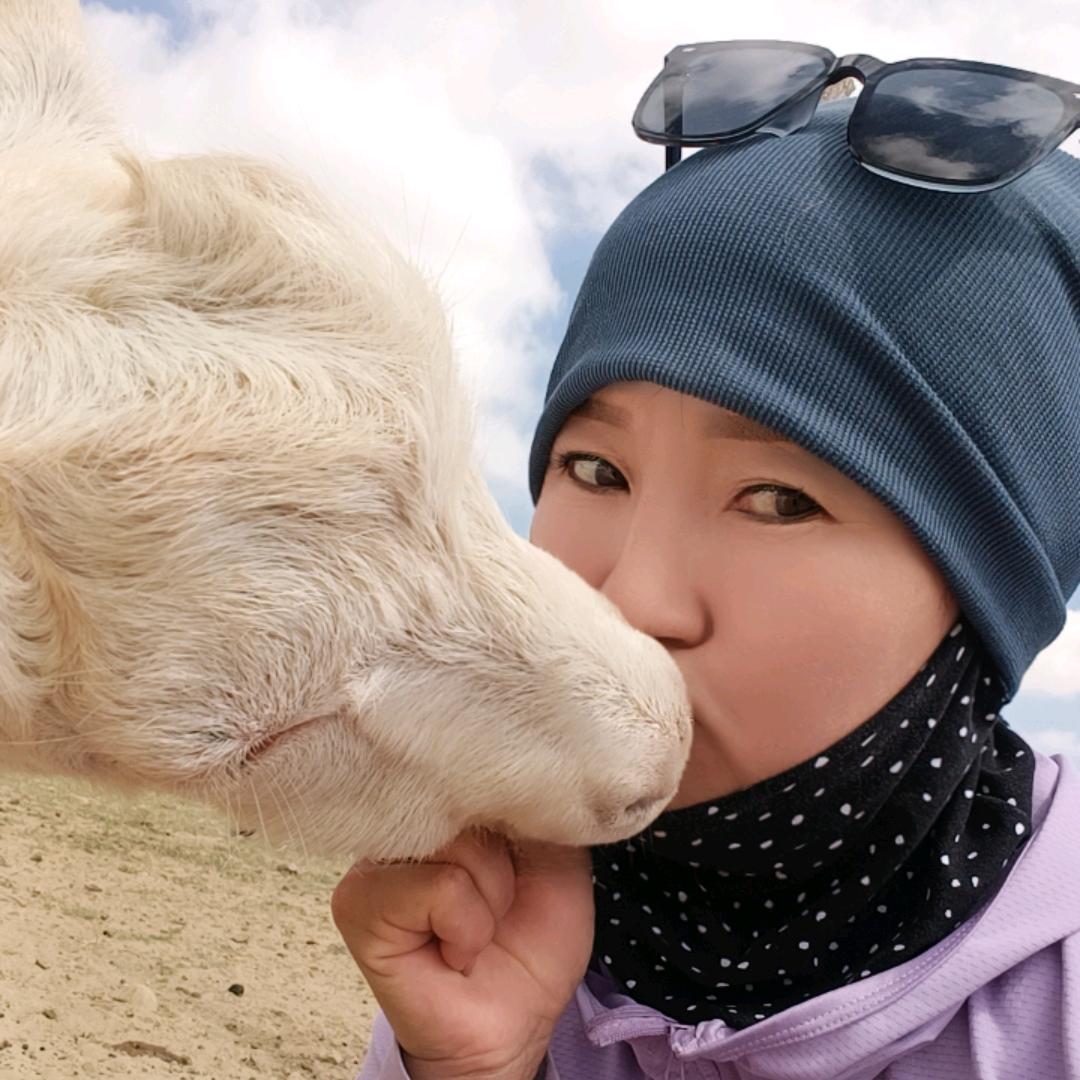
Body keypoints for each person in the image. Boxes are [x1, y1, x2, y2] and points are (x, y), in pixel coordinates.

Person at [332, 92, 1080, 1079]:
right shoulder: (487, 927)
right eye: (597, 471)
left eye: (778, 500)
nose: (629, 606)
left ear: (988, 589)